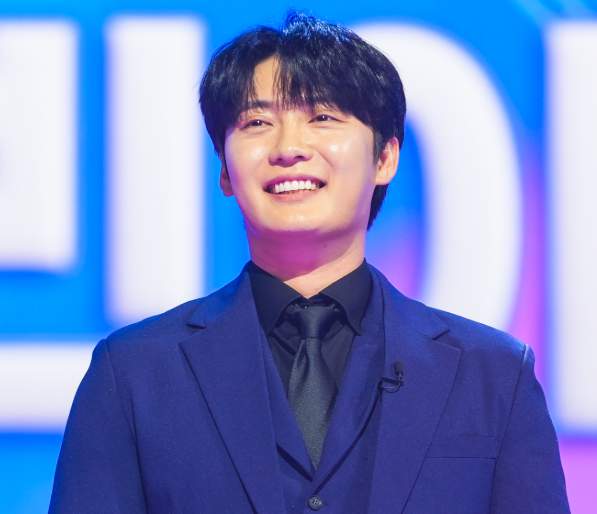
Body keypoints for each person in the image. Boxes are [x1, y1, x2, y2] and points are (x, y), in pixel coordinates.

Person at [49, 12, 570, 514]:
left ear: (385, 157)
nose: (289, 147)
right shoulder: (135, 372)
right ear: (225, 170)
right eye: (257, 122)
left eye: (321, 117)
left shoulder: (493, 375)